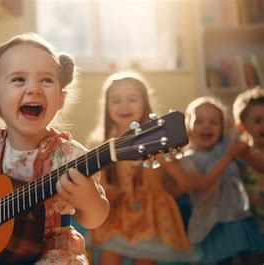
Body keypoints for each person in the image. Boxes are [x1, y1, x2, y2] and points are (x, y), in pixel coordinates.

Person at [0, 33, 110, 264]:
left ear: (60, 99)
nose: (34, 89)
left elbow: (95, 219)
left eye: (45, 80)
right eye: (19, 80)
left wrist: (89, 198)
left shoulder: (69, 156)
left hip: (53, 254)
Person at [88, 71, 197, 265]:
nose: (124, 106)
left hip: (150, 217)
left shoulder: (160, 142)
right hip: (116, 216)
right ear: (106, 106)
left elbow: (184, 183)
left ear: (145, 102)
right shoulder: (100, 144)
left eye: (132, 99)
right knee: (108, 259)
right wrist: (107, 193)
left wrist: (165, 185)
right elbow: (101, 189)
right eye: (116, 100)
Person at [163, 96, 264, 264]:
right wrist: (228, 157)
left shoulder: (226, 145)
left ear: (223, 128)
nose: (206, 126)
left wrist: (241, 151)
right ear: (188, 128)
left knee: (253, 258)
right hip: (212, 224)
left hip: (237, 216)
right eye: (199, 121)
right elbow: (203, 186)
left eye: (214, 122)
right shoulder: (188, 159)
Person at [232, 87, 264, 263]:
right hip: (251, 225)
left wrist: (246, 155)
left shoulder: (245, 155)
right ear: (242, 126)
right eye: (258, 120)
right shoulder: (239, 153)